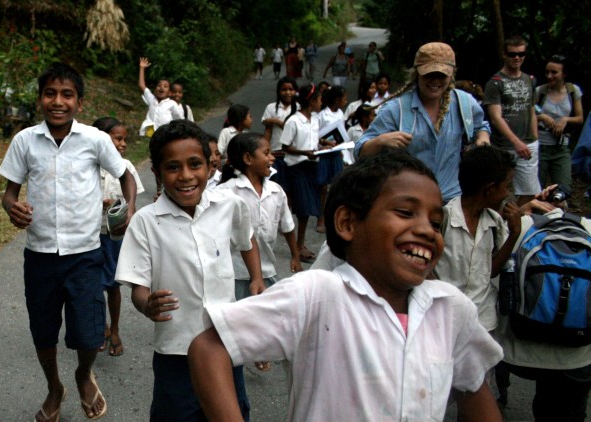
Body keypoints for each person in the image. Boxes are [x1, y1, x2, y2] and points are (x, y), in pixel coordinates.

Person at [188, 149, 504, 421]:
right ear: (348, 223)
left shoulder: (450, 309)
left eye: (436, 223)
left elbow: (474, 387)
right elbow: (209, 348)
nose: (427, 230)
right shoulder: (317, 295)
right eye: (406, 213)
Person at [0, 62, 138, 421]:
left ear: (79, 102)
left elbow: (126, 177)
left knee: (90, 333)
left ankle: (82, 373)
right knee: (43, 331)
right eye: (50, 93)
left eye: (67, 94)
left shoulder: (95, 140)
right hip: (40, 255)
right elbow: (9, 192)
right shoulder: (25, 140)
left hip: (86, 253)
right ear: (40, 98)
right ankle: (54, 387)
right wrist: (13, 208)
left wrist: (127, 210)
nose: (57, 101)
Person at [114, 120, 264, 421]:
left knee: (231, 412)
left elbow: (246, 238)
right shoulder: (145, 222)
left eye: (195, 164)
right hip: (175, 349)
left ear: (210, 166)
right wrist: (147, 305)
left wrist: (257, 278)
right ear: (157, 173)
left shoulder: (229, 205)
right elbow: (138, 287)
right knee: (177, 413)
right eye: (173, 167)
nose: (185, 176)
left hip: (224, 340)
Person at [354, 42, 491, 202]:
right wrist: (381, 141)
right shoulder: (395, 109)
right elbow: (359, 151)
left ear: (452, 74)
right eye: (428, 75)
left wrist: (482, 139)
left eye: (441, 75)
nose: (435, 81)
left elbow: (481, 126)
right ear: (417, 74)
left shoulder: (465, 103)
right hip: (408, 199)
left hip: (454, 201)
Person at [494, 202, 591, 421]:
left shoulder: (519, 226)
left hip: (519, 351)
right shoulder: (588, 230)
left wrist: (525, 207)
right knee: (566, 410)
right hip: (576, 355)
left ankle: (500, 397)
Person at [433, 145, 522, 334]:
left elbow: (490, 271)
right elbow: (427, 269)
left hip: (483, 322)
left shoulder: (494, 222)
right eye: (506, 186)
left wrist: (514, 234)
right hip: (443, 321)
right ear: (489, 189)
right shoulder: (444, 219)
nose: (508, 194)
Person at [217, 132, 302, 300]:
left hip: (266, 269)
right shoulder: (225, 192)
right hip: (235, 273)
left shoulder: (276, 191)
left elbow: (287, 226)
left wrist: (295, 256)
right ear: (248, 159)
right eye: (266, 153)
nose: (272, 158)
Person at [92, 117, 145, 358]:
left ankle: (114, 329)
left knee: (113, 285)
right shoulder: (87, 166)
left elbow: (131, 200)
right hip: (90, 235)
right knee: (93, 285)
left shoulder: (126, 167)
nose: (123, 144)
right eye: (118, 138)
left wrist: (119, 205)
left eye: (125, 139)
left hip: (114, 237)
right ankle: (99, 328)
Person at [484, 35, 541, 206]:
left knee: (530, 192)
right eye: (512, 54)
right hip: (504, 146)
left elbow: (531, 109)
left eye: (521, 54)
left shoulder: (529, 80)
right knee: (498, 191)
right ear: (504, 55)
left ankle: (521, 224)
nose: (517, 58)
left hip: (528, 143)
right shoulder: (495, 83)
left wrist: (535, 139)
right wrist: (516, 142)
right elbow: (495, 117)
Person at [280, 83, 325, 263]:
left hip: (311, 165)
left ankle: (300, 244)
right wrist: (304, 153)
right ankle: (298, 246)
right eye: (320, 99)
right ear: (311, 101)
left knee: (307, 209)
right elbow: (285, 146)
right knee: (302, 208)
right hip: (297, 167)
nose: (321, 103)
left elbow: (312, 140)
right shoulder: (293, 121)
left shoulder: (314, 119)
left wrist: (323, 145)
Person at [535, 54, 584, 194]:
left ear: (564, 74)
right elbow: (528, 116)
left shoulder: (573, 91)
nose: (549, 76)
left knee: (563, 189)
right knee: (537, 190)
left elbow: (580, 118)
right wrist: (542, 117)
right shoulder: (540, 91)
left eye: (554, 72)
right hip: (540, 147)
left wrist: (565, 119)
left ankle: (560, 213)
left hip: (561, 148)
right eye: (547, 72)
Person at [316, 85, 348, 232]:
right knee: (322, 187)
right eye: (344, 98)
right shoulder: (322, 115)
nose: (346, 101)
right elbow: (316, 135)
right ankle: (320, 218)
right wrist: (324, 142)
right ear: (337, 100)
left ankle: (332, 218)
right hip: (323, 154)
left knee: (336, 186)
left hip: (336, 152)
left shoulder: (340, 114)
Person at [261, 76, 298, 192]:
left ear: (296, 91)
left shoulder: (299, 108)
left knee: (292, 187)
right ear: (278, 91)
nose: (288, 92)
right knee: (276, 185)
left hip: (293, 153)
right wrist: (276, 121)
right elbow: (266, 123)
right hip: (276, 152)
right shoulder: (272, 107)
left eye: (291, 89)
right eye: (284, 89)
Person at [138, 57, 183, 137]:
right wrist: (142, 68)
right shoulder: (151, 99)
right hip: (151, 132)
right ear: (155, 90)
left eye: (165, 86)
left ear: (169, 93)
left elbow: (178, 119)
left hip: (166, 133)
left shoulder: (172, 103)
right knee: (151, 146)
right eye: (159, 86)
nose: (161, 87)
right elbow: (142, 86)